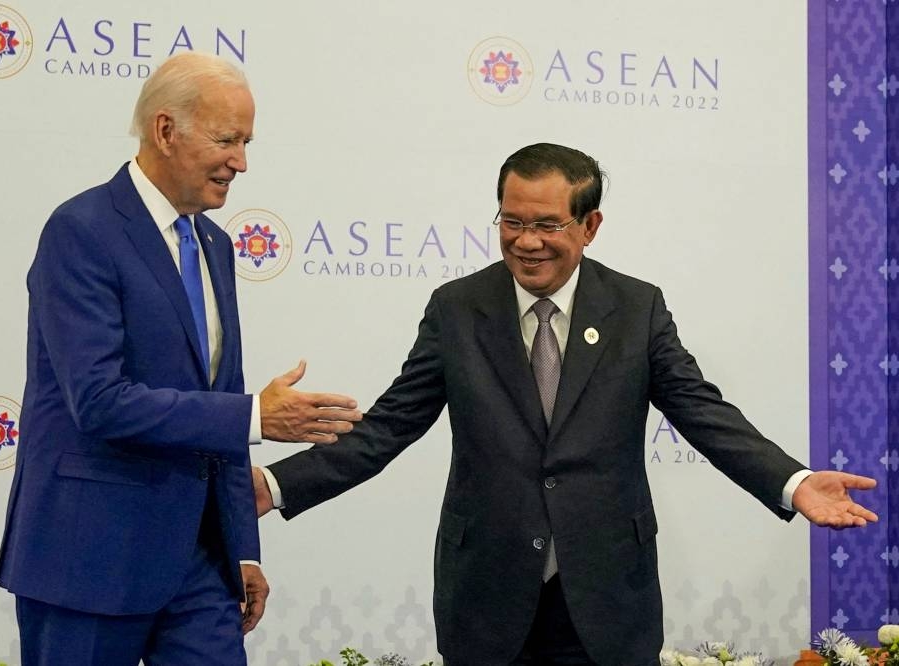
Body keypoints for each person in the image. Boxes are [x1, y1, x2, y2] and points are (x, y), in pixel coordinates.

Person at [253, 143, 878, 666]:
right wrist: (276, 485)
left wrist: (793, 482)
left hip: (606, 598)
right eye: (511, 221)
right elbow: (389, 426)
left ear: (590, 225)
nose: (526, 242)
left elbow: (701, 411)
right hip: (487, 597)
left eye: (547, 225)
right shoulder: (457, 309)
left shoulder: (637, 308)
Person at [0, 52, 362, 666]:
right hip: (89, 558)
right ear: (165, 130)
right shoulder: (81, 230)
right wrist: (255, 416)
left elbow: (220, 400)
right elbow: (99, 402)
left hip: (199, 566)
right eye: (226, 139)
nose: (241, 161)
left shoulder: (215, 244)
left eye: (246, 142)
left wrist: (242, 548)